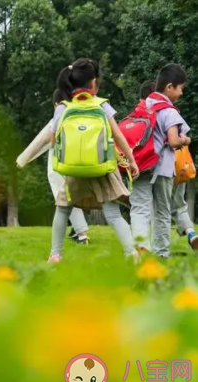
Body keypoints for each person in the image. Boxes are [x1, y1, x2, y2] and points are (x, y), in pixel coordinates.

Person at [47, 58, 139, 262]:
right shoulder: (102, 105)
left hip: (73, 170)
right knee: (113, 214)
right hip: (102, 169)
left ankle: (55, 254)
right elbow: (118, 136)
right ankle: (131, 254)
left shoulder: (63, 107)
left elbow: (54, 140)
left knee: (62, 210)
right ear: (94, 83)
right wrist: (131, 160)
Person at [130, 64, 193, 257]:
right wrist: (186, 140)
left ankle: (141, 249)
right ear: (169, 87)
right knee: (162, 212)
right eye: (180, 88)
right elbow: (174, 140)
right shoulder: (169, 111)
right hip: (163, 168)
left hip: (139, 164)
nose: (181, 93)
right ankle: (161, 253)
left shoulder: (144, 105)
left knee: (140, 209)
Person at [48, 90, 90, 244]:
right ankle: (77, 230)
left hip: (60, 162)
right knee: (71, 196)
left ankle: (81, 233)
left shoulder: (59, 115)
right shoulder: (81, 115)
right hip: (80, 161)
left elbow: (50, 141)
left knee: (65, 197)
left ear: (56, 104)